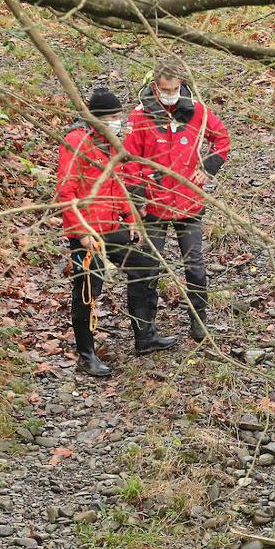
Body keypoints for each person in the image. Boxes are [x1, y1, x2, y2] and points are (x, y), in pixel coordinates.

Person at [55, 88, 175, 378]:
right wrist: (81, 233)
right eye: (112, 117)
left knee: (146, 265)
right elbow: (65, 191)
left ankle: (144, 336)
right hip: (87, 233)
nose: (118, 122)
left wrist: (130, 218)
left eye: (119, 116)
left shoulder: (110, 144)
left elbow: (117, 185)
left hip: (111, 227)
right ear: (96, 119)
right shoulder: (75, 142)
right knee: (88, 291)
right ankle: (87, 354)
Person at [123, 56, 230, 343]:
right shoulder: (140, 116)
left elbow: (222, 139)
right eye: (163, 90)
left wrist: (207, 169)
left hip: (189, 203)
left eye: (172, 90)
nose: (168, 96)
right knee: (148, 270)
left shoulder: (197, 112)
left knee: (194, 266)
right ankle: (145, 334)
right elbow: (129, 162)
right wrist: (138, 198)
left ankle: (199, 322)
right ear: (155, 86)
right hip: (153, 205)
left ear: (181, 84)